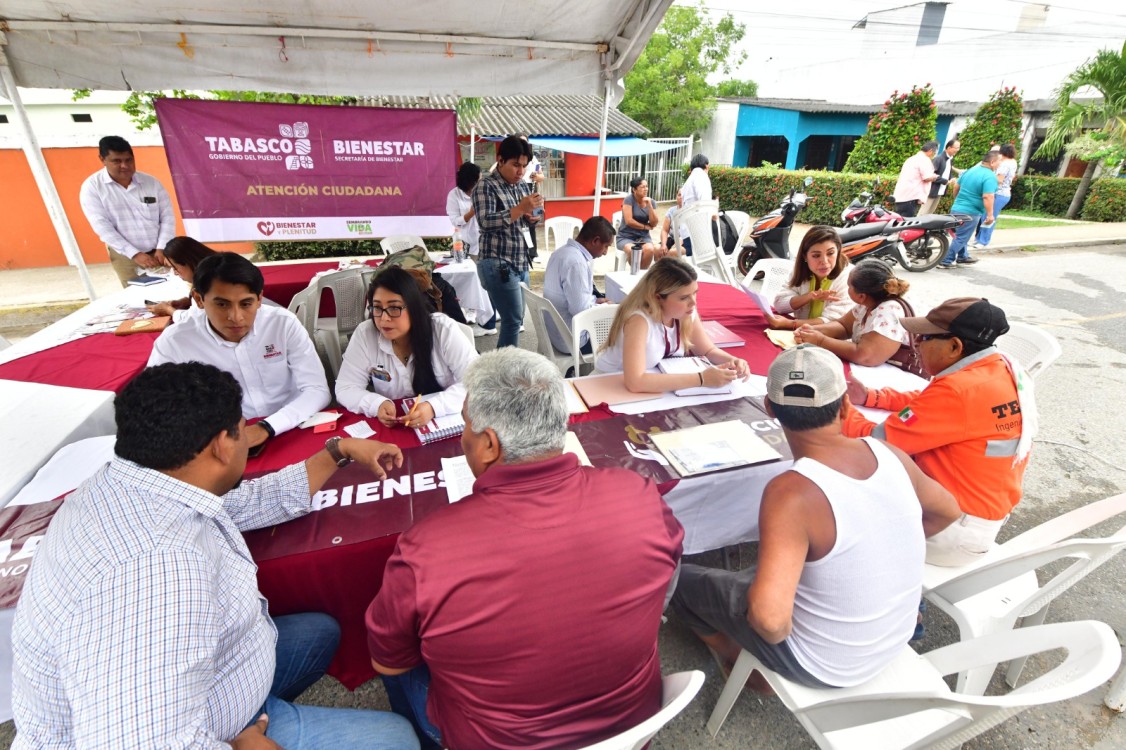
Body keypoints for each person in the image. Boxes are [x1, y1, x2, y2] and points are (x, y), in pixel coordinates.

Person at [11, 362, 419, 749]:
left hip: (209, 688)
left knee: (320, 632)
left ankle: (253, 708)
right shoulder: (154, 569)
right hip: (199, 732)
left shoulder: (141, 481)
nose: (247, 439)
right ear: (223, 446)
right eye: (243, 431)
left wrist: (339, 450)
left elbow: (253, 500)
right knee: (397, 739)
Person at [366, 348, 684, 749]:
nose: (463, 436)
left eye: (465, 425)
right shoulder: (637, 494)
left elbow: (389, 660)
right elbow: (669, 572)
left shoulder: (426, 550)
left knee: (402, 673)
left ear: (488, 446)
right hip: (630, 731)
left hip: (496, 742)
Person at [669, 344, 959, 687]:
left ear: (769, 409)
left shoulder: (791, 493)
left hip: (826, 665)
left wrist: (770, 622)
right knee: (759, 577)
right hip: (897, 634)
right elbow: (948, 511)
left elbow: (771, 622)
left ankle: (744, 661)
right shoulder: (889, 452)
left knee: (678, 580)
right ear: (846, 406)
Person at [841, 298, 1037, 566]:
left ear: (955, 346)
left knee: (837, 514)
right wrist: (872, 397)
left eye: (924, 337)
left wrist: (839, 405)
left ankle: (894, 595)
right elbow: (930, 403)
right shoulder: (1000, 367)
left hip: (948, 531)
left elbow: (876, 442)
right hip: (978, 518)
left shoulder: (959, 391)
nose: (917, 344)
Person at [147, 252, 330, 448]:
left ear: (259, 299)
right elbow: (156, 405)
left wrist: (266, 427)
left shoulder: (282, 323)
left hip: (294, 426)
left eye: (246, 304)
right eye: (222, 304)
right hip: (223, 442)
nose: (236, 317)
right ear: (199, 300)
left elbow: (317, 389)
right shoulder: (175, 341)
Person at [335, 266, 478, 427]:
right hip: (398, 427)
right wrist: (376, 404)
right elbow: (345, 387)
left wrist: (434, 407)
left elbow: (478, 382)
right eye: (377, 307)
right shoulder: (366, 334)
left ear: (414, 307)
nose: (384, 318)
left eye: (394, 308)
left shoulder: (442, 330)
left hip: (446, 423)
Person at [595, 257, 749, 392]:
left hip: (650, 384)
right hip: (609, 385)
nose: (693, 302)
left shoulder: (686, 313)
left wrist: (732, 361)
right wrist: (701, 379)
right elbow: (635, 382)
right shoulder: (639, 321)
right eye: (684, 298)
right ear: (657, 298)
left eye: (695, 293)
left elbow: (708, 350)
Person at [472, 135, 542, 347]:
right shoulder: (486, 186)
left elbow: (520, 218)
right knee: (512, 320)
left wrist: (531, 217)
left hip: (520, 260)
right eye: (515, 165)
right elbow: (485, 221)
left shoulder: (521, 186)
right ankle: (505, 372)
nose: (520, 172)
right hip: (497, 262)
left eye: (523, 166)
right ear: (500, 160)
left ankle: (506, 367)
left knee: (517, 319)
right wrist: (520, 209)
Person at [79, 135, 176, 287]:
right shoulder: (92, 187)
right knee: (138, 299)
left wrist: (162, 247)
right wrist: (135, 254)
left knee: (170, 291)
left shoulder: (151, 183)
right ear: (102, 159)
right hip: (126, 256)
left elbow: (167, 217)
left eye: (128, 160)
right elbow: (102, 227)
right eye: (117, 161)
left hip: (160, 252)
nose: (124, 165)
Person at [794, 259, 912, 367]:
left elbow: (864, 356)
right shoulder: (866, 304)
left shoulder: (888, 312)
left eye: (849, 286)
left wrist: (820, 341)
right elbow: (844, 326)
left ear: (861, 296)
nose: (847, 289)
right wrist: (812, 331)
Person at [542, 216, 614, 356]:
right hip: (571, 340)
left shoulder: (561, 252)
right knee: (621, 327)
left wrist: (594, 301)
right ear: (595, 241)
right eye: (606, 246)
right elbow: (580, 311)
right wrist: (606, 307)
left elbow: (572, 298)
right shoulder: (576, 263)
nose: (605, 252)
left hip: (554, 331)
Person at [767, 226, 852, 331]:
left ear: (838, 252)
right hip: (801, 335)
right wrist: (809, 296)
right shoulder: (800, 271)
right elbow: (780, 304)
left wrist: (791, 324)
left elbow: (833, 321)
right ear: (805, 257)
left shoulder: (849, 277)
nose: (824, 261)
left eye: (830, 253)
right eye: (816, 256)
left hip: (831, 341)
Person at [939, 150, 1001, 269]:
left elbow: (957, 186)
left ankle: (962, 256)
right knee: (962, 237)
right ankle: (946, 260)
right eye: (999, 162)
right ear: (992, 162)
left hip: (957, 208)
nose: (999, 165)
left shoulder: (970, 171)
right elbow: (988, 196)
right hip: (971, 211)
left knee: (960, 234)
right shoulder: (990, 177)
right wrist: (990, 215)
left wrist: (957, 200)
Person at [145, 235, 217, 319]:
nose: (175, 273)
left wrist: (168, 310)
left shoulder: (210, 281)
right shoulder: (211, 270)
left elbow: (195, 319)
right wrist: (188, 301)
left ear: (186, 262)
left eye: (175, 268)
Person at [972, 144, 1017, 249]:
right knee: (985, 216)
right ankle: (979, 239)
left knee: (989, 216)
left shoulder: (1005, 164)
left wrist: (987, 178)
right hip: (1004, 193)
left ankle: (983, 241)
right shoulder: (1013, 162)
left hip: (999, 193)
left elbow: (999, 180)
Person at [616, 176, 659, 269]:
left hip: (643, 237)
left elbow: (654, 223)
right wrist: (644, 227)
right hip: (626, 236)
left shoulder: (650, 201)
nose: (646, 189)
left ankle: (640, 275)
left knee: (650, 249)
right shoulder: (628, 200)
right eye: (642, 187)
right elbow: (629, 221)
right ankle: (636, 274)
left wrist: (650, 206)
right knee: (633, 251)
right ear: (634, 189)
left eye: (646, 186)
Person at [891, 140, 940, 217]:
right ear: (930, 151)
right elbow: (927, 177)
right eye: (934, 153)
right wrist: (935, 177)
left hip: (900, 197)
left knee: (898, 222)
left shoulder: (911, 159)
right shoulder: (924, 160)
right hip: (911, 198)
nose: (934, 155)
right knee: (905, 226)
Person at [921, 137, 962, 215]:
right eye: (956, 148)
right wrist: (945, 181)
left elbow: (947, 172)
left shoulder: (950, 159)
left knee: (930, 213)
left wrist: (952, 178)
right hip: (932, 190)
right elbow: (930, 174)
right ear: (949, 147)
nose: (958, 150)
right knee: (923, 213)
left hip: (940, 191)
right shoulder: (938, 158)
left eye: (959, 148)